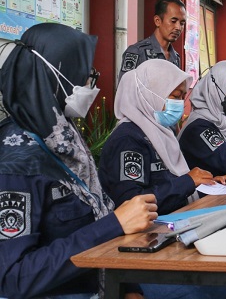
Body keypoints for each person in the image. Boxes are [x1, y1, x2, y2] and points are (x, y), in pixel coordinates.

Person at [0, 23, 156, 298]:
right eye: (87, 75)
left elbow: (98, 213)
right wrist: (114, 226)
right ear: (57, 75)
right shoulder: (17, 162)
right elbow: (14, 278)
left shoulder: (64, 139)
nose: (90, 84)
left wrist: (130, 288)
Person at [99, 59, 226, 216]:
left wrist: (206, 185)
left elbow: (168, 183)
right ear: (149, 95)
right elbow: (131, 202)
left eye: (182, 97)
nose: (180, 104)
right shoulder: (127, 139)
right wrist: (188, 182)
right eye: (175, 96)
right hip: (146, 235)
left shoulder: (160, 132)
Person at [118, 0, 186, 82]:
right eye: (173, 21)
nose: (178, 27)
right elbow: (125, 89)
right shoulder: (137, 51)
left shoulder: (175, 57)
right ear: (157, 21)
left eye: (182, 23)